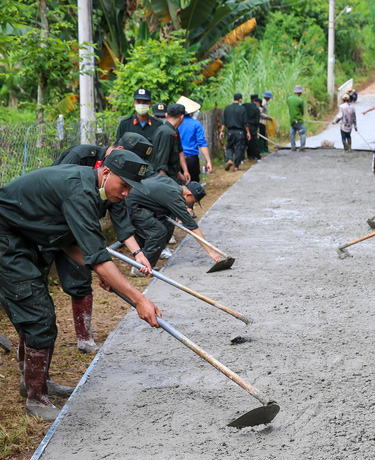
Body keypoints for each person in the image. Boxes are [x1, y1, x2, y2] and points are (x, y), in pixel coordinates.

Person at [0, 151, 161, 421]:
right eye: (123, 186)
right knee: (39, 317)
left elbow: (70, 243)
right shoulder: (79, 190)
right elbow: (97, 256)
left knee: (39, 313)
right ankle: (35, 399)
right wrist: (138, 299)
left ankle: (36, 382)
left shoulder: (90, 189)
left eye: (131, 189)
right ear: (106, 173)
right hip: (7, 239)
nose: (125, 194)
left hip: (23, 238)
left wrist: (103, 272)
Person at [49, 133, 154, 353]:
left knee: (83, 276)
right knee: (35, 292)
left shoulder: (118, 182)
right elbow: (55, 187)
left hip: (78, 234)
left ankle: (84, 339)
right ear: (118, 152)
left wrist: (138, 253)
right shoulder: (81, 156)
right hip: (52, 224)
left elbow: (121, 219)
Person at [126, 173, 222, 271]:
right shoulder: (175, 197)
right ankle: (142, 269)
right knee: (158, 232)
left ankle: (144, 260)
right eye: (193, 202)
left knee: (163, 225)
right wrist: (210, 252)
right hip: (131, 204)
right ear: (188, 194)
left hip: (136, 200)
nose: (191, 204)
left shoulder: (171, 183)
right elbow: (192, 226)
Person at [150, 103, 190, 184]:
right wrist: (164, 185)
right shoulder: (168, 133)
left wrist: (178, 173)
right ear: (182, 117)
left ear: (166, 115)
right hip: (165, 179)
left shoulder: (168, 130)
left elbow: (171, 158)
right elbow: (162, 163)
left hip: (170, 177)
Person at [178, 102, 213, 183]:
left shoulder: (175, 123)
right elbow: (202, 143)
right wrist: (208, 161)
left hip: (178, 159)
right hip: (192, 159)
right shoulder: (195, 123)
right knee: (193, 185)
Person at [220, 93, 247, 171]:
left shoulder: (227, 108)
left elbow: (224, 122)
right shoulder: (242, 108)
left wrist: (221, 131)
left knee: (230, 147)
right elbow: (245, 122)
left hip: (230, 131)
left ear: (233, 99)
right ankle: (236, 166)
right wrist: (248, 132)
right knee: (239, 148)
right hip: (240, 132)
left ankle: (229, 159)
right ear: (240, 100)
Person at [287, 85, 307, 151]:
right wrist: (301, 116)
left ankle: (293, 146)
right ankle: (302, 147)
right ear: (299, 92)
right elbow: (302, 110)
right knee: (302, 133)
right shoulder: (300, 100)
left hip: (292, 120)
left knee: (292, 133)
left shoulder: (289, 99)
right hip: (299, 120)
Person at [243, 94, 261, 162]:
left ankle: (245, 157)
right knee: (253, 142)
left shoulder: (244, 105)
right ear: (256, 102)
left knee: (244, 142)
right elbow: (257, 121)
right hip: (252, 127)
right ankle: (255, 156)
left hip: (243, 127)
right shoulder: (256, 109)